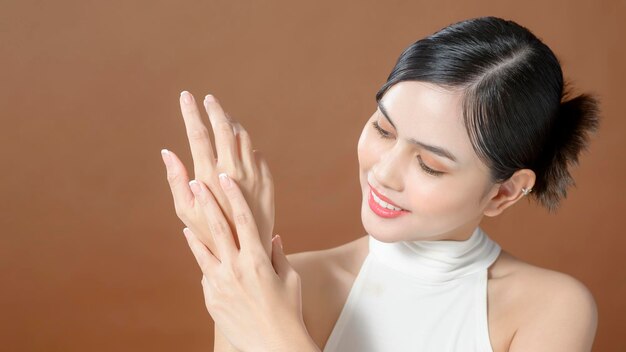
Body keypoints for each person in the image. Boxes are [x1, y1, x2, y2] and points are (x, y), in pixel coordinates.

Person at [160, 16, 600, 352]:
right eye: (383, 130)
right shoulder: (288, 282)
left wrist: (277, 332)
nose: (383, 172)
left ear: (503, 192)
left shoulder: (551, 309)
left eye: (429, 165)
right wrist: (244, 254)